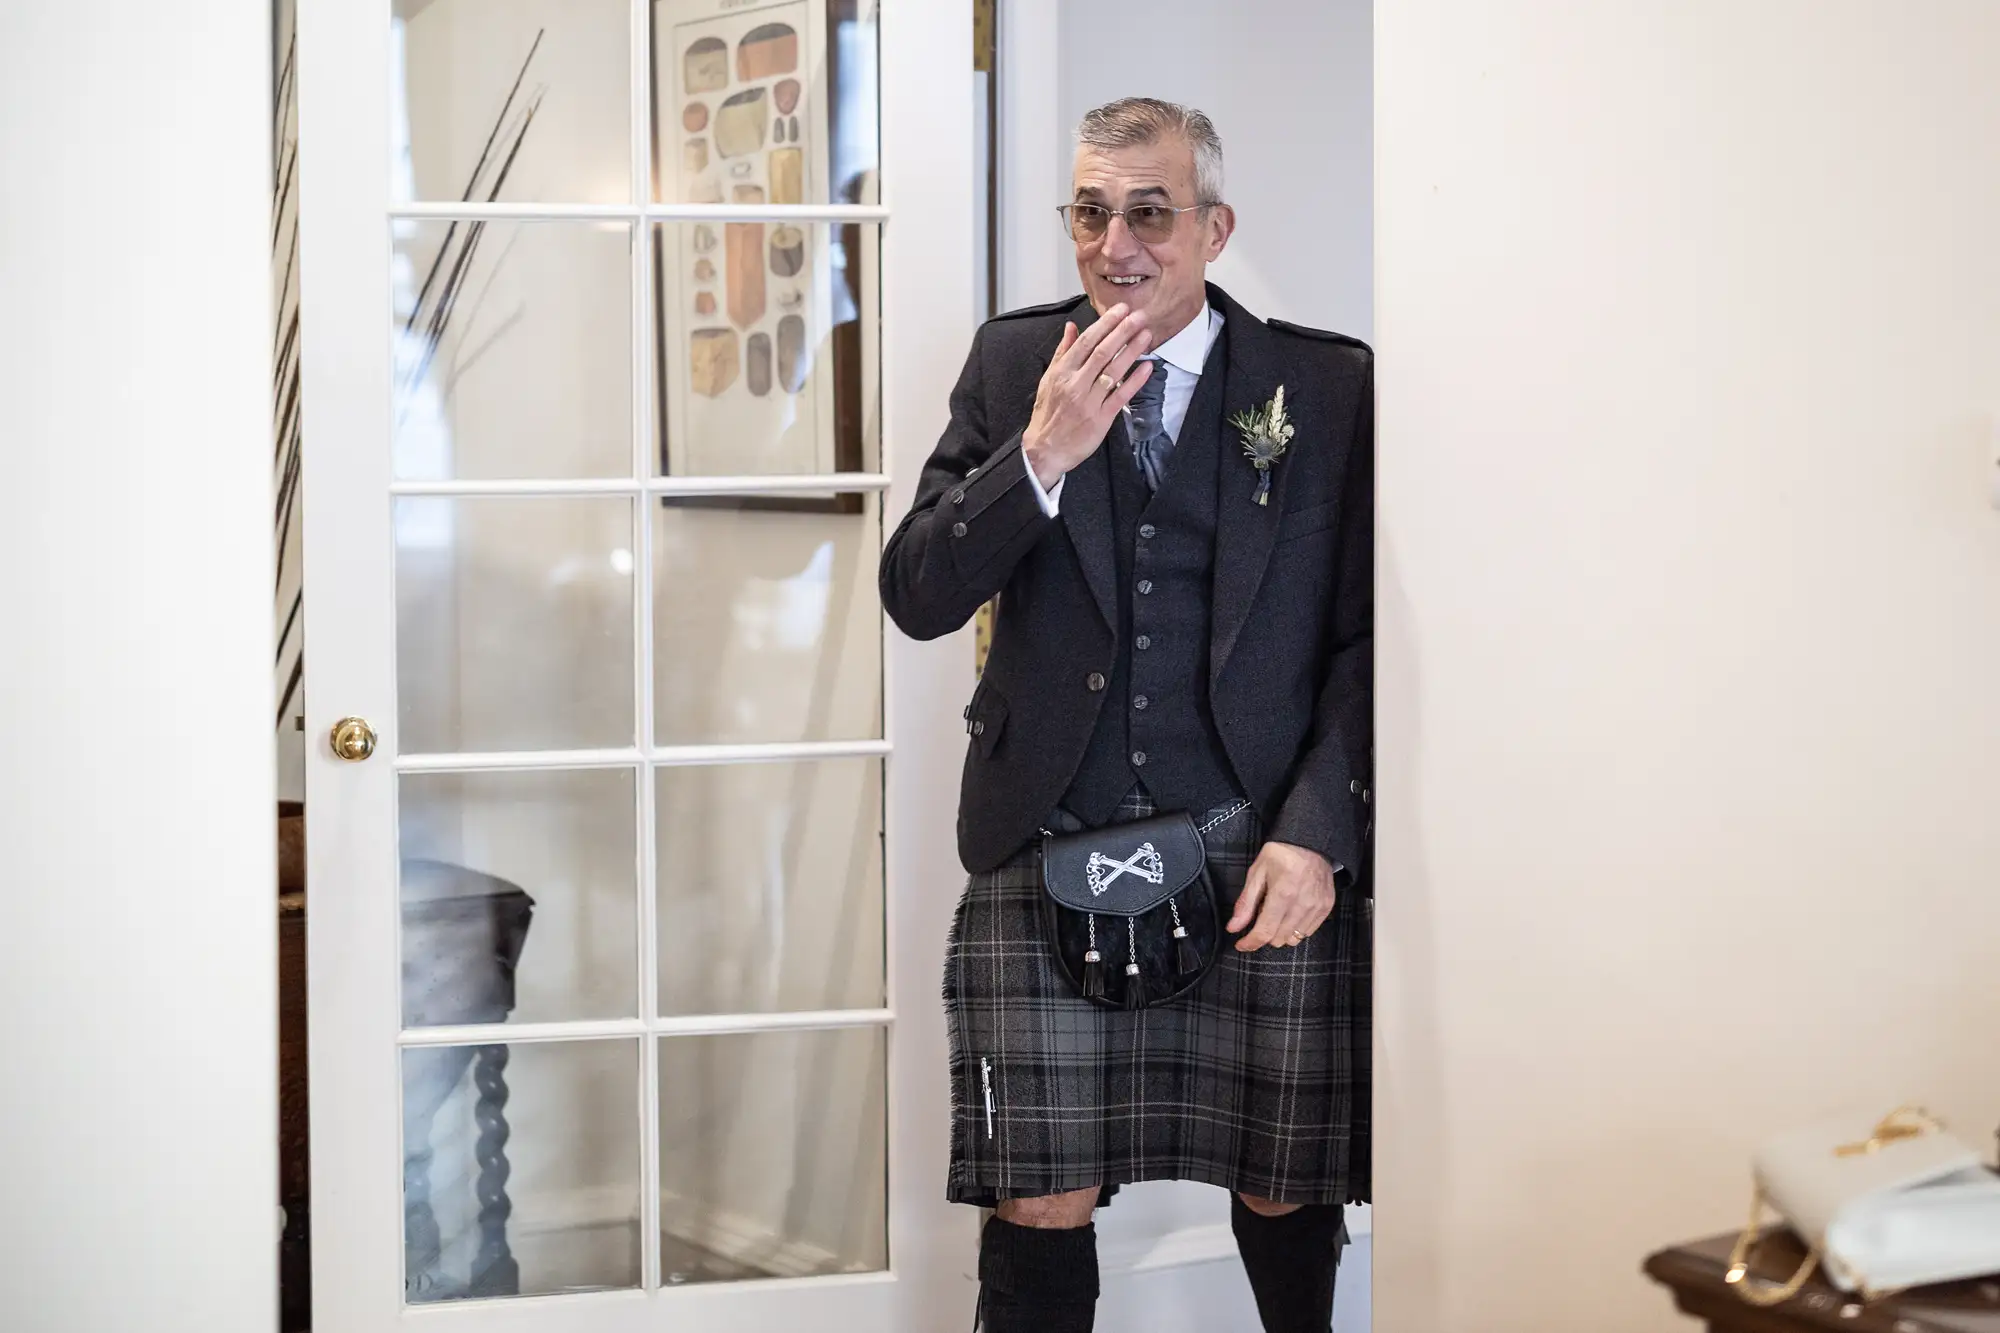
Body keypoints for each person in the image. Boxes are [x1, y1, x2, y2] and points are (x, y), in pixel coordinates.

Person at [879, 97, 1372, 1332]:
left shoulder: (1319, 383)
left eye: (1148, 212)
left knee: (1283, 1182)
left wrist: (1317, 829)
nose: (1116, 245)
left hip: (1258, 843)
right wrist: (1038, 456)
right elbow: (918, 593)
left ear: (1212, 227)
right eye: (1089, 213)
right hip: (1047, 830)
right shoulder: (1011, 366)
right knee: (1036, 1194)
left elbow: (1366, 642)